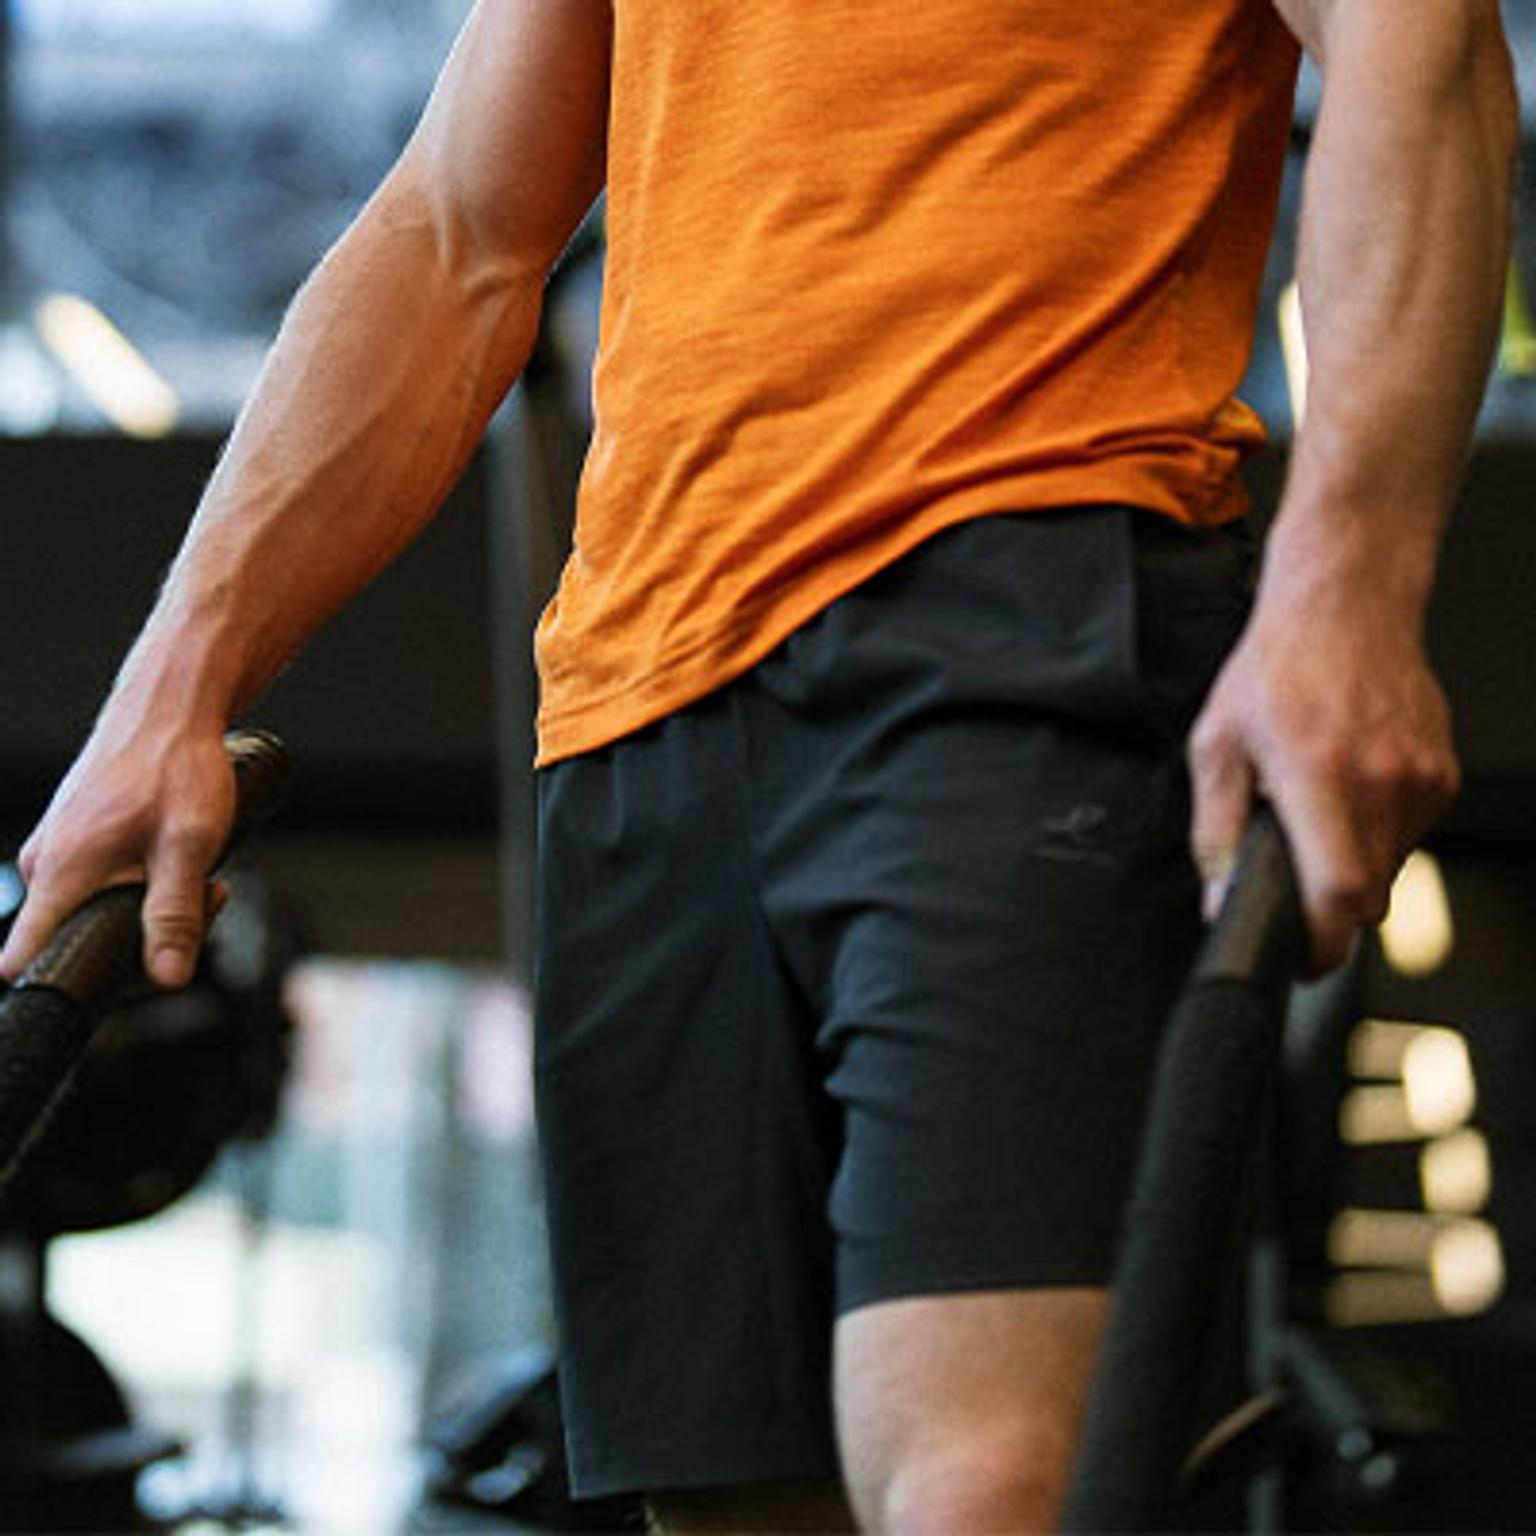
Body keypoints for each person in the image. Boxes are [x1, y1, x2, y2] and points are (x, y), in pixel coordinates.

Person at [0, 0, 1517, 1529]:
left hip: (1012, 594)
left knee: (987, 1484)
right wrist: (168, 692)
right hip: (636, 702)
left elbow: (1420, 45)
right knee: (730, 1506)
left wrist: (1351, 593)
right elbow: (458, 234)